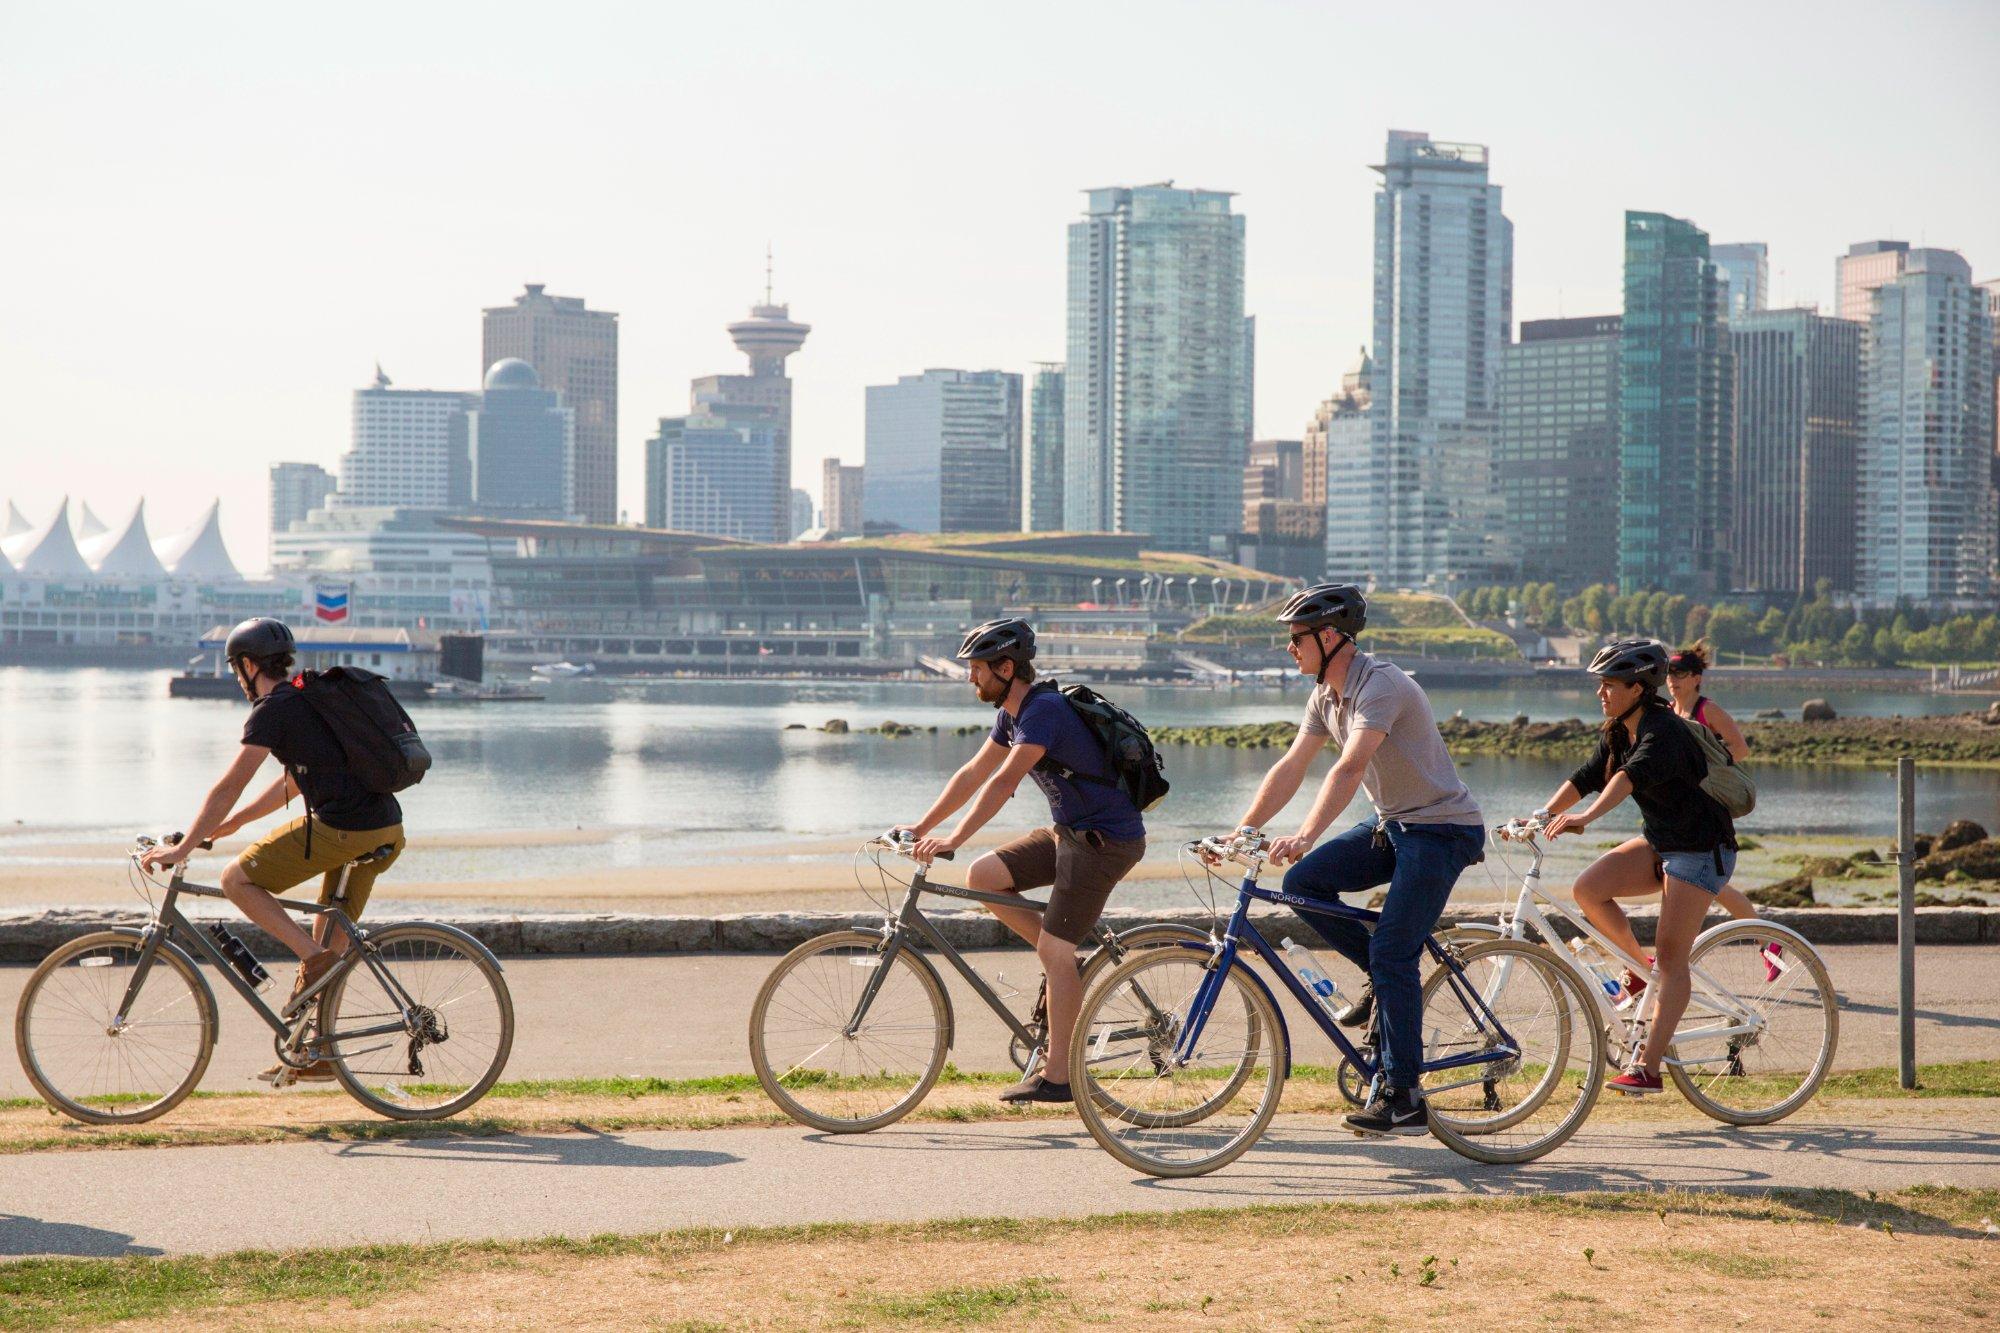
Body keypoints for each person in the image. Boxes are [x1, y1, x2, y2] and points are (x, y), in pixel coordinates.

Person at [1229, 583, 1486, 1136]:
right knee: (1304, 882)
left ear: (1329, 637)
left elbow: (1348, 768)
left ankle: (1404, 1095)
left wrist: (1305, 831)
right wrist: (1245, 828)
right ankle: (1381, 977)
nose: (1289, 649)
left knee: (1395, 951)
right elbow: (1294, 765)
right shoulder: (1325, 694)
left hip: (1442, 829)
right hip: (1394, 825)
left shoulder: (1382, 685)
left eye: (1296, 639)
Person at [139, 617, 406, 1080]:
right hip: (384, 828)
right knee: (328, 943)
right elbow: (294, 783)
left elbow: (230, 785)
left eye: (233, 669)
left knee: (236, 880)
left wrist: (177, 853)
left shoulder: (273, 709)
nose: (235, 678)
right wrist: (222, 829)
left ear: (246, 664)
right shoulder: (305, 696)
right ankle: (322, 1054)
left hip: (344, 831)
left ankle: (314, 958)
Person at [894, 619, 1146, 1105]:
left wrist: (955, 837)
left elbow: (1004, 781)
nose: (971, 678)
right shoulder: (1012, 714)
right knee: (984, 876)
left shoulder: (1044, 710)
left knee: (1052, 950)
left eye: (977, 669)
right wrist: (922, 828)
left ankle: (1059, 1078)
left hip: (1104, 842)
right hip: (1067, 834)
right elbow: (974, 772)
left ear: (1006, 668)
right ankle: (1064, 964)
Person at [1526, 638, 1736, 1095]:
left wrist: (1585, 819)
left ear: (1639, 688)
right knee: (1589, 889)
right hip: (1662, 843)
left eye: (1610, 685)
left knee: (1674, 957)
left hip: (1700, 850)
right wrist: (1538, 817)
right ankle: (1639, 968)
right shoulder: (1618, 731)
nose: (1601, 693)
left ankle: (1649, 1067)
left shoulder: (1664, 731)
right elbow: (1587, 776)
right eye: (1600, 685)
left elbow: (1627, 778)